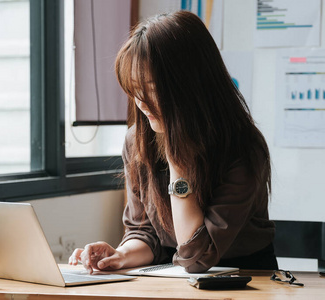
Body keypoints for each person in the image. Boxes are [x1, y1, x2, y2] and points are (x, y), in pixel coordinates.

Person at [69, 10, 278, 274]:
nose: (142, 104)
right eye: (134, 90)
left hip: (248, 277)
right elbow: (144, 232)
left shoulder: (241, 147)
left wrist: (177, 161)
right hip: (171, 274)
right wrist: (121, 254)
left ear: (191, 87)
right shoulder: (137, 141)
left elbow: (196, 257)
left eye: (153, 89)